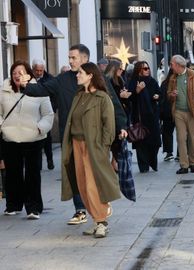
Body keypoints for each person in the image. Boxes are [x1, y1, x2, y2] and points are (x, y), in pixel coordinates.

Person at [19, 44, 127, 226]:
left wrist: (122, 126)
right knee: (76, 175)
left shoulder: (98, 79)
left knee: (94, 175)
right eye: (69, 58)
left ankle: (100, 208)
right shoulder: (63, 79)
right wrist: (26, 85)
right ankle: (81, 209)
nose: (70, 61)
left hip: (95, 138)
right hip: (71, 138)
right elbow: (42, 90)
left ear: (84, 59)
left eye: (73, 58)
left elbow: (113, 104)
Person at [61, 62, 120, 238]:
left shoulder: (102, 98)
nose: (77, 75)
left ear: (90, 75)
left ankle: (102, 221)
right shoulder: (78, 96)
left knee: (93, 185)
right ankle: (96, 219)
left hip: (94, 147)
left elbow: (109, 126)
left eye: (80, 72)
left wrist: (103, 147)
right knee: (81, 185)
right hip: (76, 145)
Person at [0, 60, 54, 218]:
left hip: (33, 138)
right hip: (10, 138)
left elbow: (48, 114)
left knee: (33, 174)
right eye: (14, 73)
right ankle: (13, 205)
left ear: (28, 75)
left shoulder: (39, 90)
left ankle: (33, 208)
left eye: (21, 72)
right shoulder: (4, 90)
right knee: (12, 174)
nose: (17, 75)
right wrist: (3, 126)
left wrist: (40, 128)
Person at [167, 55, 194, 174]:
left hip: (192, 112)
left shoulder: (193, 75)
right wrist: (171, 95)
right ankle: (184, 165)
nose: (171, 67)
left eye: (172, 64)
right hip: (179, 111)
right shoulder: (173, 78)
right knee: (181, 138)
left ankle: (192, 163)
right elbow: (168, 93)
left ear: (179, 65)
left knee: (193, 139)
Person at [127, 61, 162, 173]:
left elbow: (159, 93)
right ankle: (143, 165)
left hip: (152, 115)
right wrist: (137, 91)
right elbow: (129, 98)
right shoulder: (133, 82)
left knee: (155, 141)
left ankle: (152, 161)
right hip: (140, 116)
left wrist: (157, 96)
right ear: (139, 70)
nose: (147, 70)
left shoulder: (152, 81)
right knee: (141, 141)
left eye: (148, 68)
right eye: (144, 68)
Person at [104, 59, 132, 171]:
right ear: (114, 69)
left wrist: (125, 95)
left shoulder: (120, 80)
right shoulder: (109, 81)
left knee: (120, 139)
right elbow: (112, 97)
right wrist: (121, 96)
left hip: (123, 111)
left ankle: (115, 160)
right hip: (115, 113)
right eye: (120, 68)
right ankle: (114, 161)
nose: (122, 70)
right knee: (117, 138)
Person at [32, 58, 56, 170]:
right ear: (33, 69)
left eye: (41, 70)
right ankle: (38, 164)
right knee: (36, 139)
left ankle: (49, 159)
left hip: (46, 113)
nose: (39, 72)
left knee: (47, 138)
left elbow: (54, 96)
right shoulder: (28, 79)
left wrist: (53, 110)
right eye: (37, 70)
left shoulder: (50, 79)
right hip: (32, 113)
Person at [160, 69, 176, 161]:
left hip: (167, 111)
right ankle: (179, 153)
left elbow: (161, 98)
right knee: (181, 133)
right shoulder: (180, 82)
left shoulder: (164, 83)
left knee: (167, 132)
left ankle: (169, 152)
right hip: (177, 110)